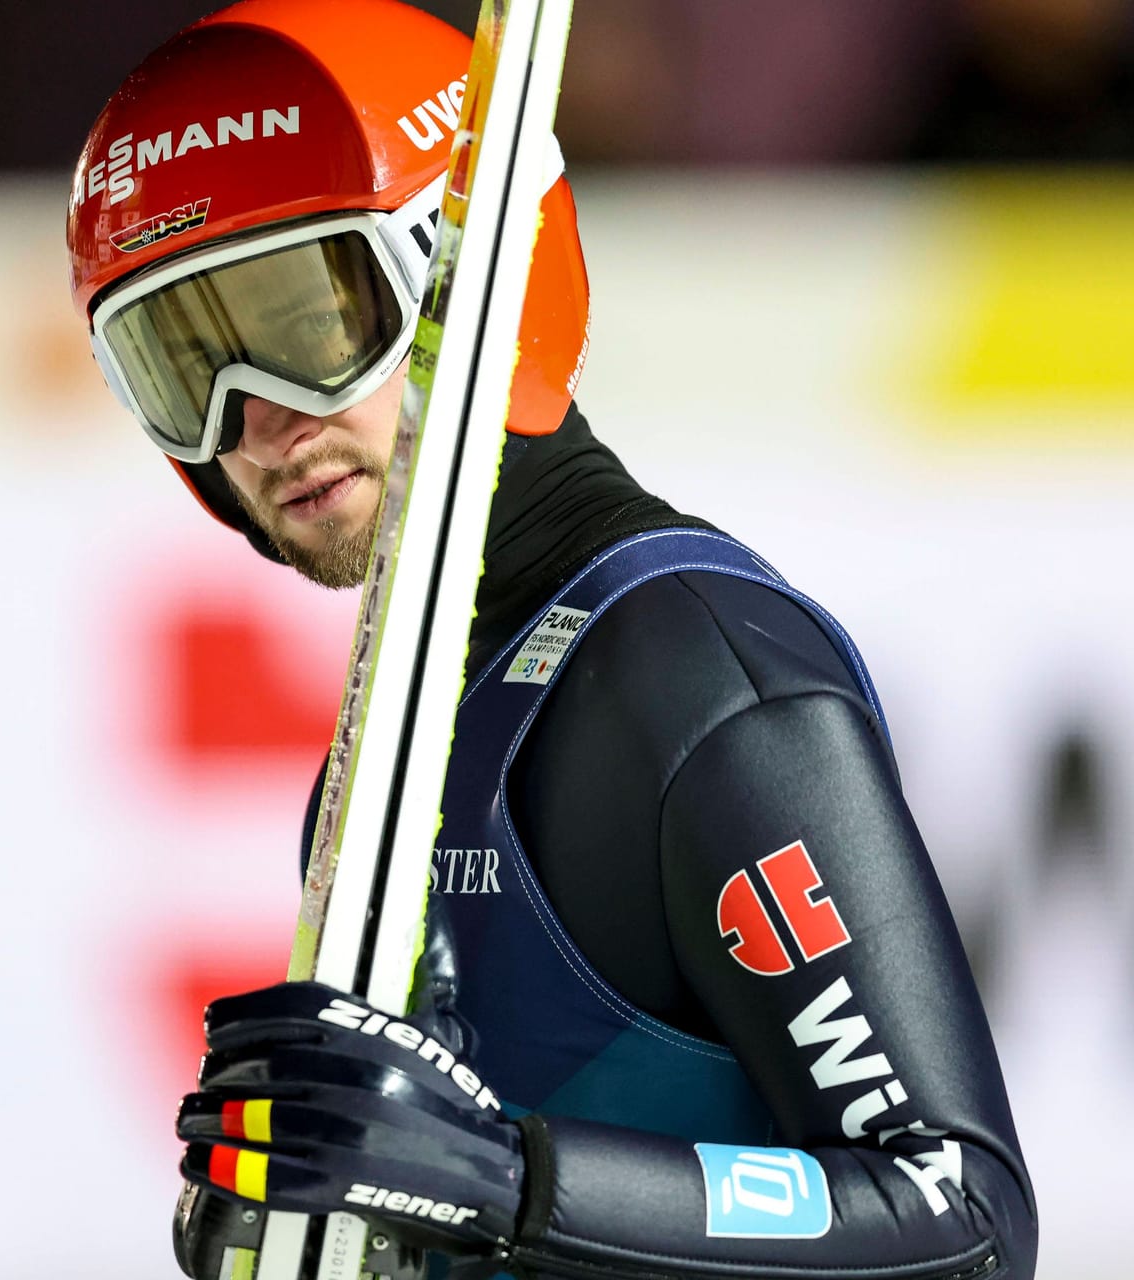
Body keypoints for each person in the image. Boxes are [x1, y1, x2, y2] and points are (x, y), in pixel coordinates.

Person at [67, 1, 1039, 1277]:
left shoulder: (689, 676)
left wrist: (501, 1175)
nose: (256, 423)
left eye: (308, 324)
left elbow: (961, 1214)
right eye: (183, 364)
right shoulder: (399, 733)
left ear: (469, 273)